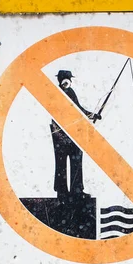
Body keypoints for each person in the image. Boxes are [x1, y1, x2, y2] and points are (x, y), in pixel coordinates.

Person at [50, 70, 101, 200]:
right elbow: (79, 109)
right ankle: (73, 191)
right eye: (66, 78)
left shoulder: (57, 92)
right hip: (66, 133)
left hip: (62, 132)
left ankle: (66, 192)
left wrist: (91, 116)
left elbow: (77, 110)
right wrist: (92, 115)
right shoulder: (65, 92)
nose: (68, 81)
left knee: (66, 161)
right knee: (72, 160)